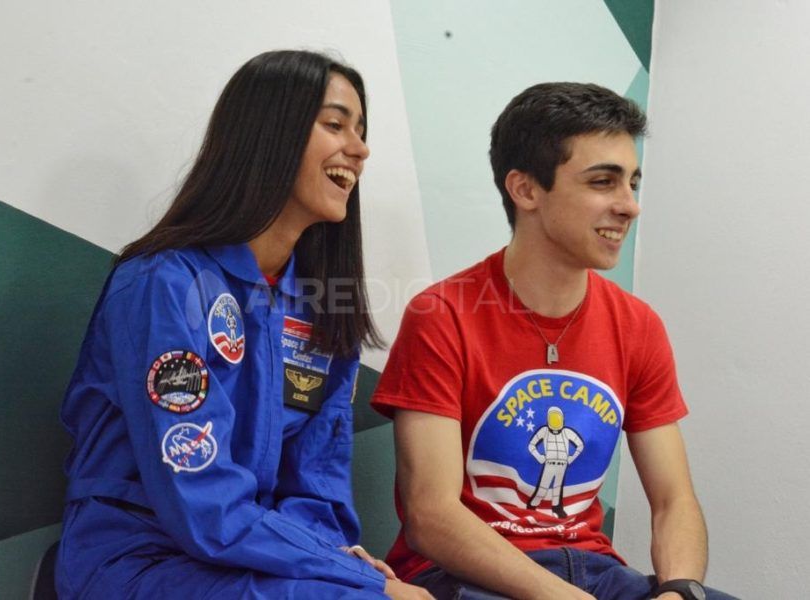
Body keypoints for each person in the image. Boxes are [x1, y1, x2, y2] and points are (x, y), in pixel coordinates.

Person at [56, 50, 432, 599]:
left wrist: (335, 562)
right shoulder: (165, 283)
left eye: (361, 130)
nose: (360, 148)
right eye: (335, 125)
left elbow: (317, 484)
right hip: (138, 557)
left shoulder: (325, 303)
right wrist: (351, 579)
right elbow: (200, 498)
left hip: (254, 557)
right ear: (269, 135)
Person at [370, 83, 737, 600]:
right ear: (525, 190)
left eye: (632, 183)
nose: (629, 206)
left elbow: (674, 500)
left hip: (598, 573)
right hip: (473, 578)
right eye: (603, 182)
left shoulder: (638, 325)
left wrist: (678, 591)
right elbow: (432, 516)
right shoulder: (442, 316)